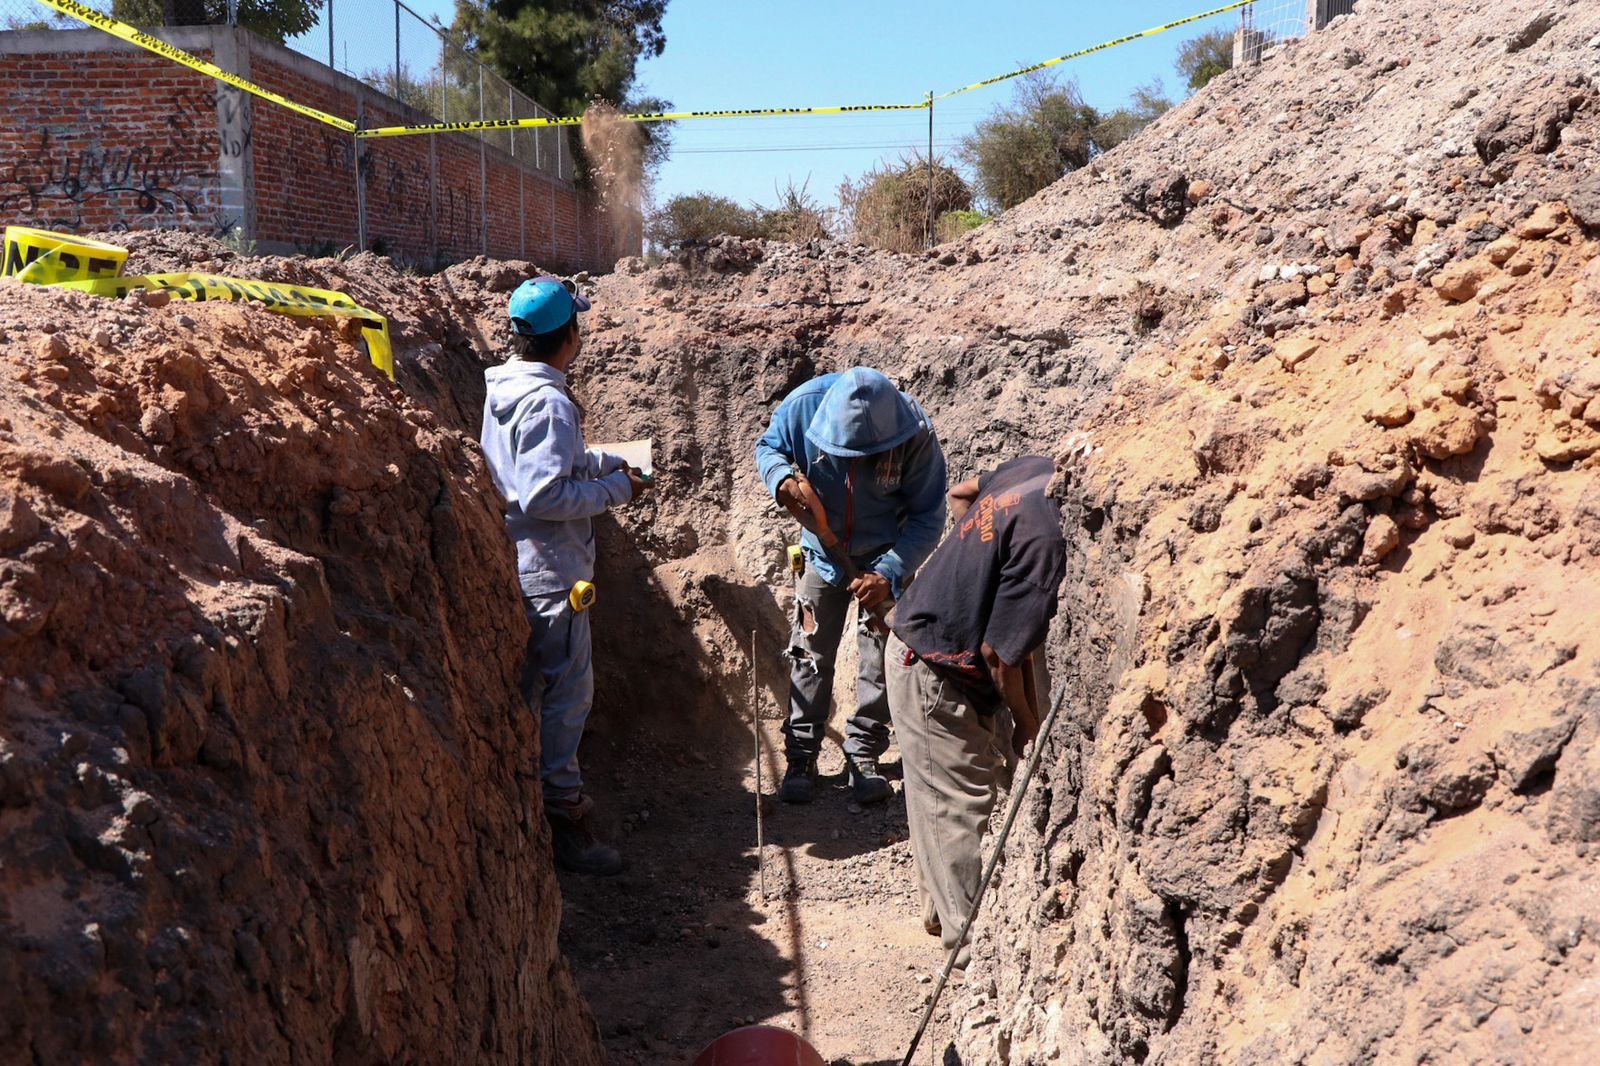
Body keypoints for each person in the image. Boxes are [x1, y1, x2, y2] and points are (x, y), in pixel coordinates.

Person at [885, 446, 1079, 974]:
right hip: (934, 664)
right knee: (959, 803)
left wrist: (975, 571)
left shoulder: (1037, 470)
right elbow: (999, 653)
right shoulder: (1048, 545)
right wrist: (1028, 725)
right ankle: (968, 953)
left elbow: (963, 493)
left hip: (924, 636)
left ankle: (940, 914)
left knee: (934, 792)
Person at [480, 275, 650, 876]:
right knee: (566, 697)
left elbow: (537, 466)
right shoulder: (550, 401)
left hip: (523, 561)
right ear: (569, 335)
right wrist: (614, 489)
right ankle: (564, 821)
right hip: (554, 575)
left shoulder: (504, 388)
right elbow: (545, 493)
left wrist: (606, 462)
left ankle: (541, 800)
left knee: (545, 691)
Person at [755, 367, 948, 805]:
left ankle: (864, 753)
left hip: (886, 556)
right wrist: (780, 478)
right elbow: (768, 447)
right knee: (809, 652)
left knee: (879, 657)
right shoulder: (804, 406)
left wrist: (891, 571)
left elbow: (927, 515)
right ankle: (801, 753)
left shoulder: (913, 433)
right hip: (823, 558)